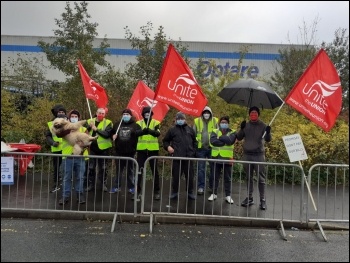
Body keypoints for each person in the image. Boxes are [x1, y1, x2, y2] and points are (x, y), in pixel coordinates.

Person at [236, 106, 271, 210]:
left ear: (258, 115)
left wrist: (268, 132)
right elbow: (239, 137)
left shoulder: (263, 126)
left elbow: (268, 139)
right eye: (251, 113)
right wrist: (241, 128)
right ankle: (250, 198)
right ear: (249, 115)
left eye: (255, 113)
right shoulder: (246, 125)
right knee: (249, 177)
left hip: (258, 155)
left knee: (261, 179)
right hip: (247, 155)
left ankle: (262, 200)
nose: (253, 115)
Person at [162, 112, 197, 200]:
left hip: (188, 157)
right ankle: (174, 192)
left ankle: (190, 192)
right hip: (177, 158)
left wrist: (193, 152)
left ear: (185, 119)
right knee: (176, 176)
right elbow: (165, 141)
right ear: (176, 120)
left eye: (182, 119)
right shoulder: (172, 130)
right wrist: (168, 147)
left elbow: (195, 142)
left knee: (190, 176)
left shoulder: (190, 129)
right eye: (178, 119)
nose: (180, 120)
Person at [109, 109, 143, 196]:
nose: (125, 115)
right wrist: (112, 136)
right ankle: (117, 186)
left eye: (127, 114)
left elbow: (140, 133)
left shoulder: (136, 125)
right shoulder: (117, 124)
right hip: (119, 151)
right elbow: (111, 133)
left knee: (130, 171)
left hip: (130, 152)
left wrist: (135, 132)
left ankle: (131, 187)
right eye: (124, 114)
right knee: (118, 171)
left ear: (130, 115)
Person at [58, 109, 88, 205]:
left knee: (80, 177)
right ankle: (65, 196)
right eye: (72, 116)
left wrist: (83, 145)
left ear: (79, 118)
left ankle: (80, 195)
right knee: (67, 178)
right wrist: (68, 130)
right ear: (69, 118)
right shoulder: (64, 128)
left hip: (80, 157)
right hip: (67, 157)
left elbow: (88, 141)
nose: (74, 118)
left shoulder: (83, 129)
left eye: (76, 117)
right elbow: (58, 134)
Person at [208, 116, 236, 204]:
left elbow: (231, 141)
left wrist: (220, 138)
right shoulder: (215, 131)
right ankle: (214, 193)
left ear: (228, 123)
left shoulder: (232, 131)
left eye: (225, 122)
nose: (223, 124)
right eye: (222, 122)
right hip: (216, 157)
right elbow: (213, 141)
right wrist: (225, 141)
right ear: (219, 123)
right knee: (214, 177)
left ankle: (228, 195)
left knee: (227, 178)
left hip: (227, 158)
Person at [136, 106, 161, 200]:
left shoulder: (156, 122)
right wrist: (143, 131)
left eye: (149, 112)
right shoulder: (139, 123)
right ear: (143, 114)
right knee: (139, 172)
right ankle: (138, 191)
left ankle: (157, 191)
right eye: (145, 113)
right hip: (142, 150)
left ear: (151, 114)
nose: (147, 114)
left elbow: (157, 133)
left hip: (153, 150)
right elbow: (136, 133)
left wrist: (149, 131)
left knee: (155, 171)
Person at [85, 108, 113, 192]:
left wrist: (96, 129)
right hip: (92, 148)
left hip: (104, 149)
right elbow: (84, 132)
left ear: (105, 115)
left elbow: (107, 134)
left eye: (103, 113)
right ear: (96, 113)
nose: (101, 115)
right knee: (91, 167)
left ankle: (103, 184)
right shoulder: (90, 120)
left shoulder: (108, 122)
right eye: (99, 113)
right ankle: (91, 185)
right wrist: (89, 127)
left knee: (103, 168)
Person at [193, 106, 218, 195]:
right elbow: (193, 134)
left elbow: (218, 133)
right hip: (201, 149)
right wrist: (195, 146)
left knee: (213, 168)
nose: (206, 114)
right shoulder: (197, 121)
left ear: (210, 113)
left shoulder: (215, 121)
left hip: (212, 148)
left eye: (208, 113)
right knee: (201, 169)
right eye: (205, 112)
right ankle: (201, 187)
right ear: (202, 113)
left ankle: (212, 186)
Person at [45, 104, 66, 193]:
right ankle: (56, 184)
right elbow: (48, 136)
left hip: (67, 149)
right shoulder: (51, 123)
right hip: (56, 149)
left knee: (67, 168)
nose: (61, 113)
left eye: (63, 112)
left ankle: (66, 184)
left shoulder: (68, 122)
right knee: (56, 168)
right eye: (59, 112)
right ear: (56, 113)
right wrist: (53, 143)